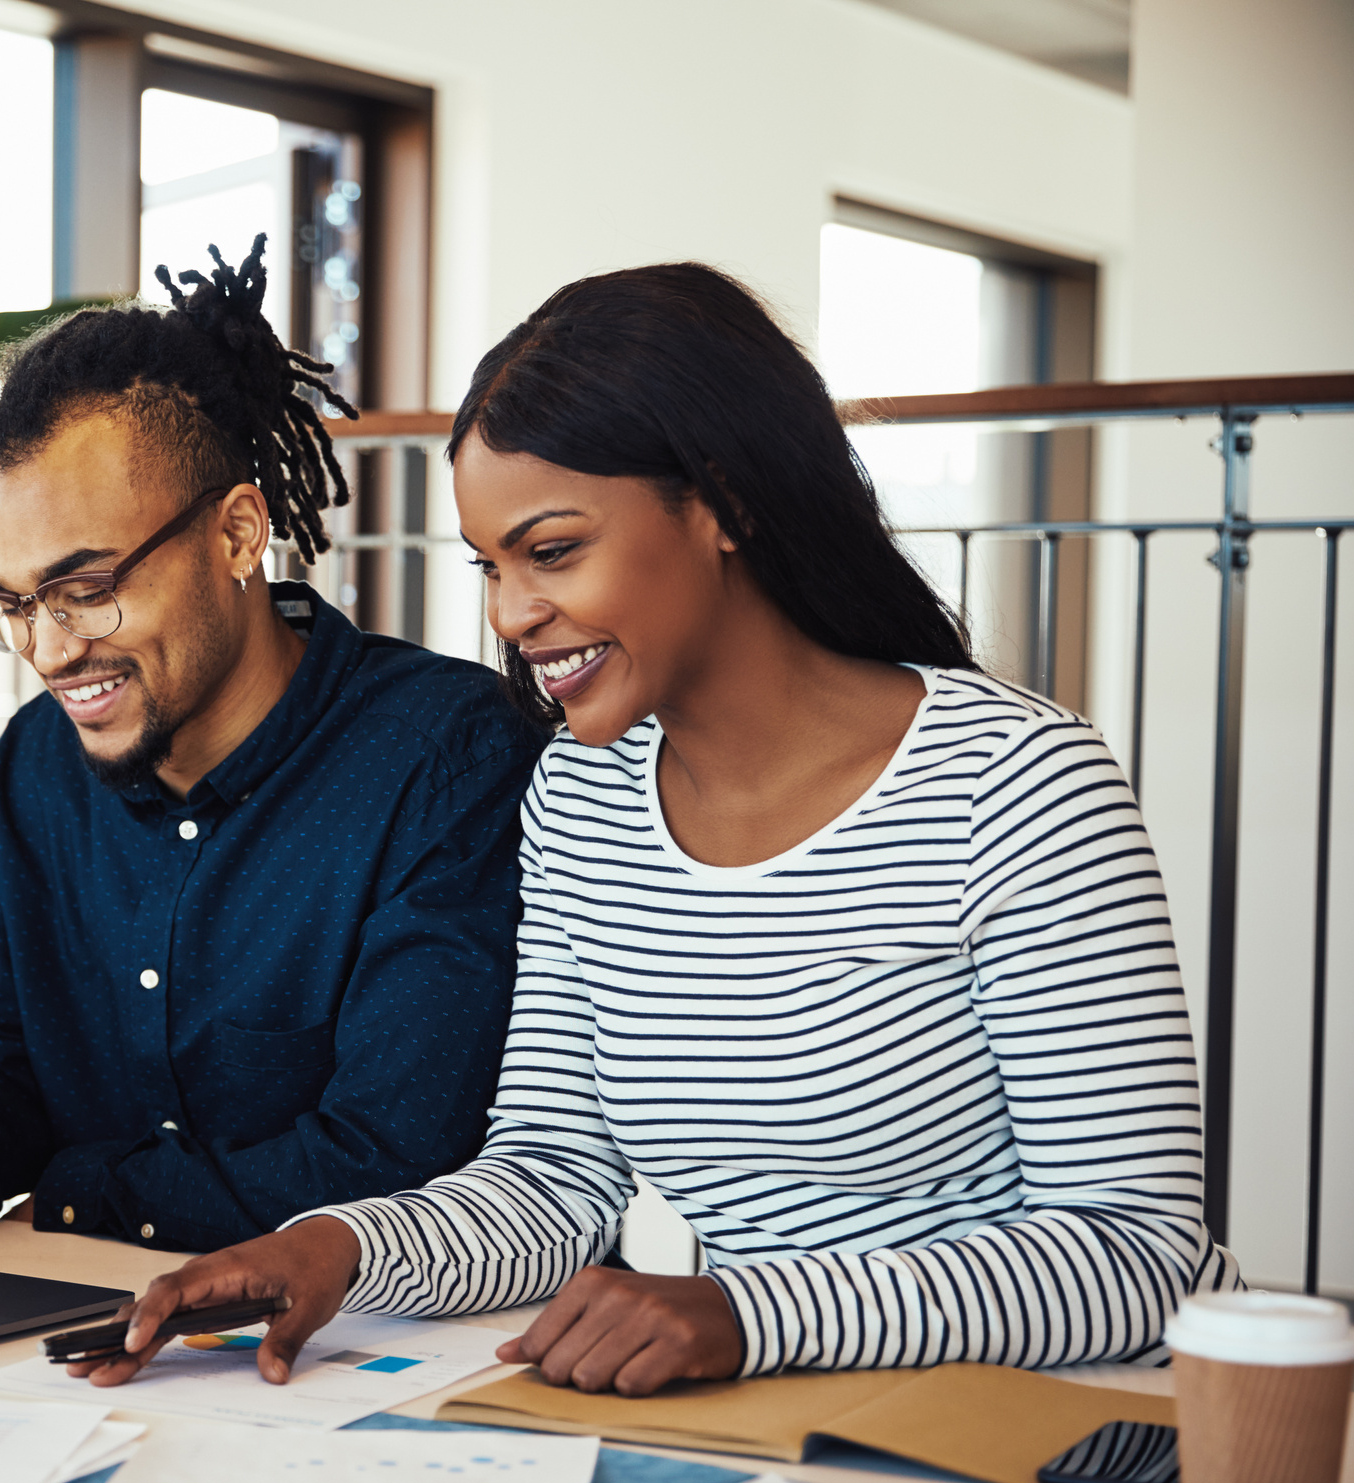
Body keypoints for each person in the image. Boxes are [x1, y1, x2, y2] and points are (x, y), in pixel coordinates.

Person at [81, 262, 1247, 1395]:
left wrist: (748, 1313)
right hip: (790, 1417)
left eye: (551, 551)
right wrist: (331, 1247)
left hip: (1062, 1427)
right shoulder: (582, 798)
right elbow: (554, 1177)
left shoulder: (1017, 787)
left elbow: (1133, 1251)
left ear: (723, 502)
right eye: (488, 565)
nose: (511, 614)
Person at [0, 238, 547, 1282]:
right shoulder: (38, 768)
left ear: (238, 533)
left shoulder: (447, 756)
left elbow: (397, 1155)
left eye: (86, 585)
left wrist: (78, 1186)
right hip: (88, 1325)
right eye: (11, 602)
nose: (50, 649)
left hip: (383, 1349)